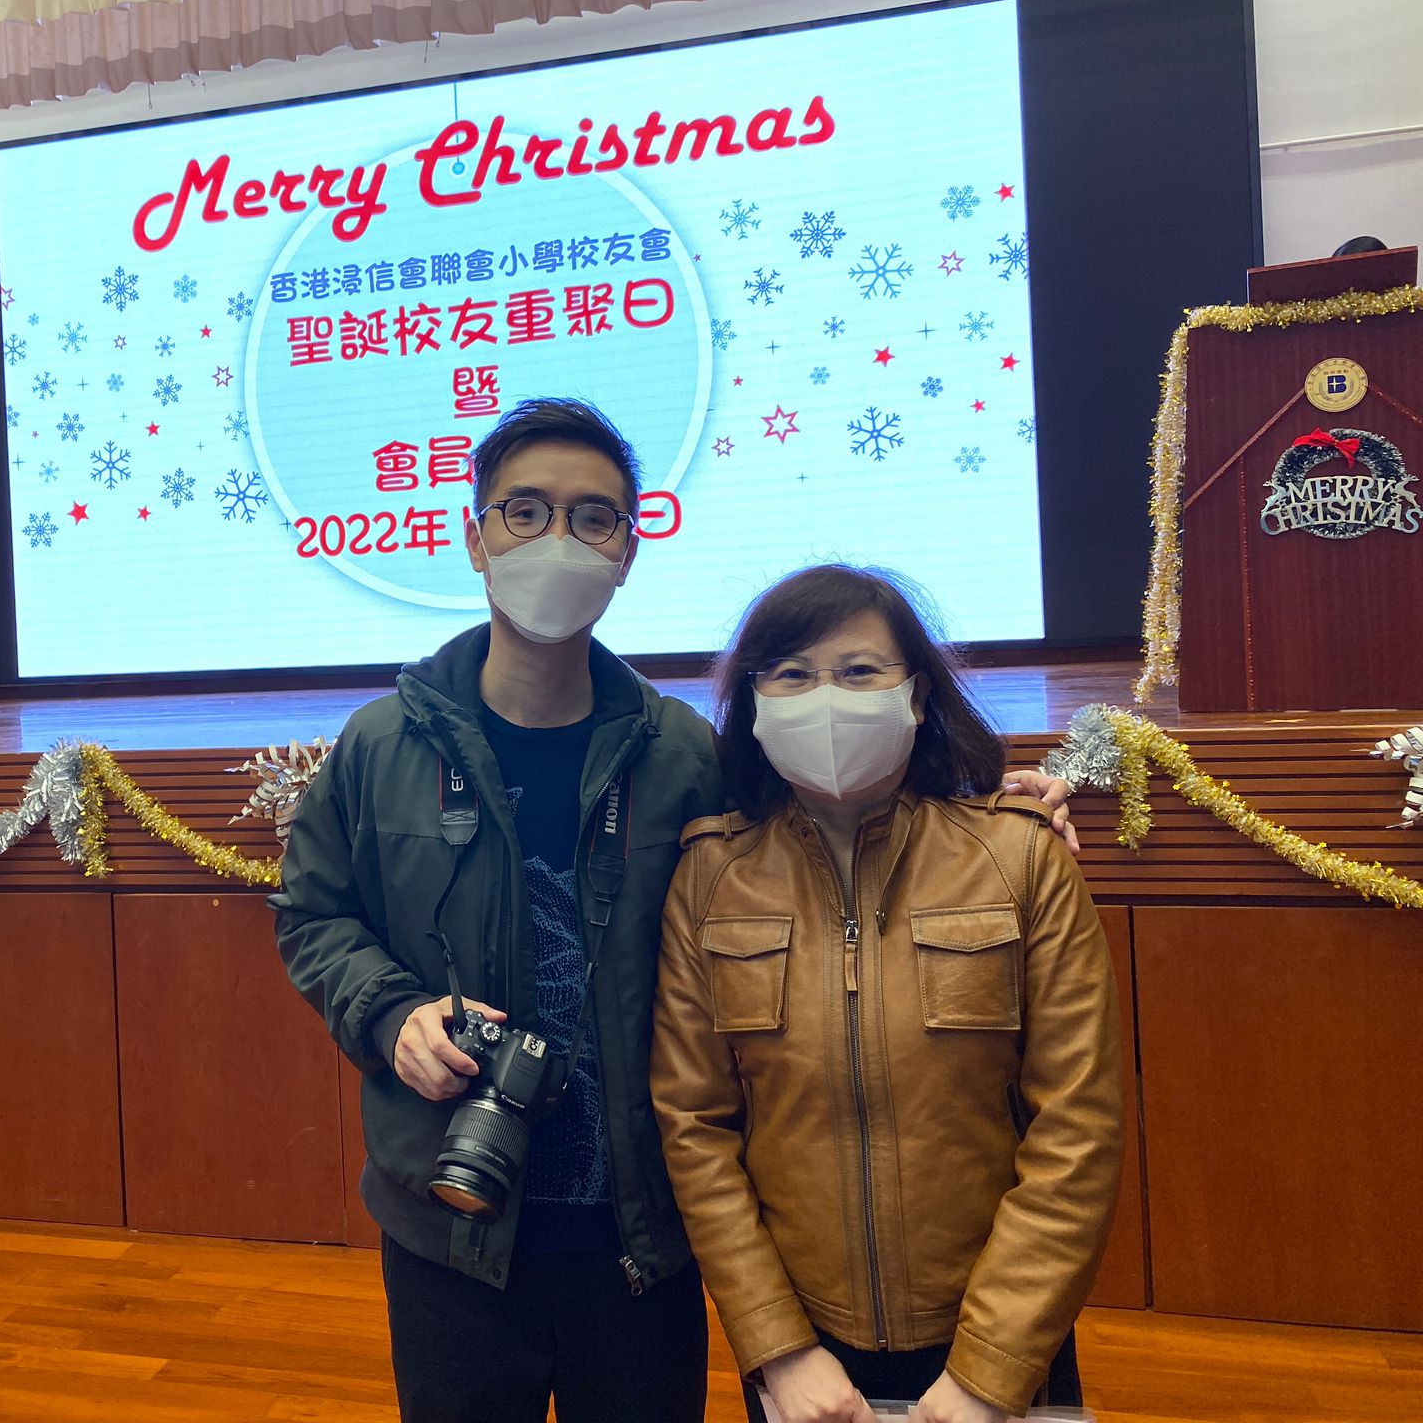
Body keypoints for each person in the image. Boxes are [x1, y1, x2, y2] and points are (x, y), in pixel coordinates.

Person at [272, 403, 1077, 1423]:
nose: (557, 540)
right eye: (525, 511)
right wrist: (390, 1014)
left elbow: (825, 838)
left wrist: (987, 810)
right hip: (451, 1221)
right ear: (473, 537)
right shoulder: (380, 745)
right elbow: (313, 916)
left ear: (627, 550)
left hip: (641, 1240)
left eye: (592, 517)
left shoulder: (680, 753)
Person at [650, 565, 1123, 1423]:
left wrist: (989, 1371)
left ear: (917, 695)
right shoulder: (710, 878)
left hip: (999, 1342)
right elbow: (695, 1128)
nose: (824, 699)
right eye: (791, 675)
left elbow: (1077, 1130)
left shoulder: (1020, 860)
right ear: (753, 703)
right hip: (803, 1355)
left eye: (860, 671)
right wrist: (777, 1348)